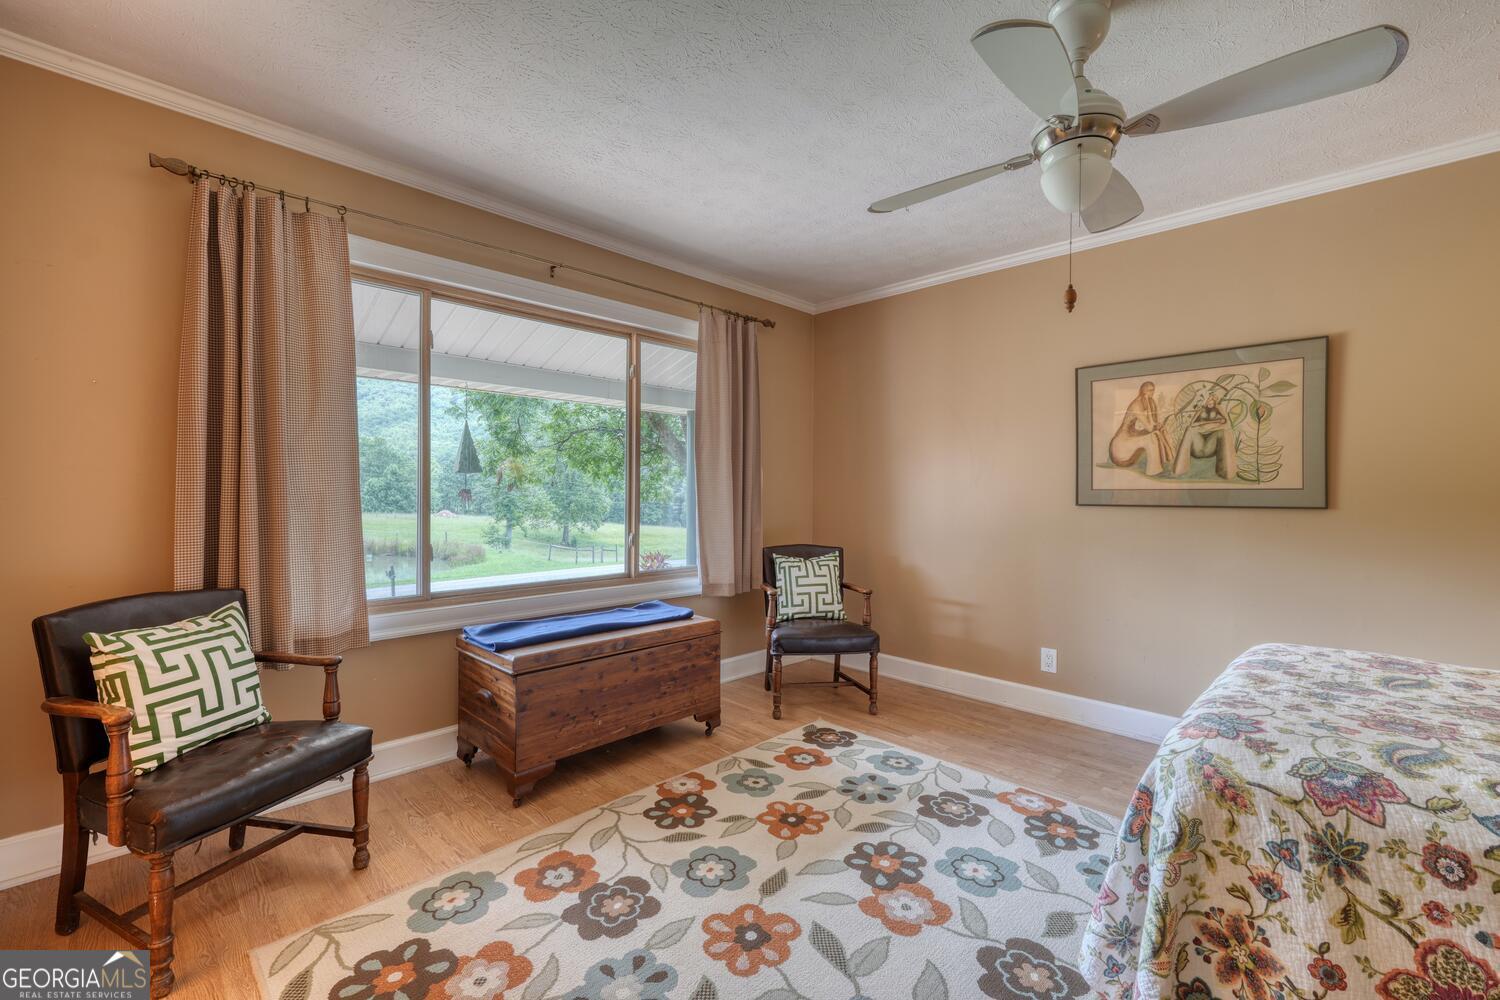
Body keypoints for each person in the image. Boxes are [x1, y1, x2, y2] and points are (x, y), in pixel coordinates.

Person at [1108, 381, 1174, 475]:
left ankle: (1169, 462)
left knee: (1160, 431)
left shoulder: (1150, 401)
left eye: (1153, 390)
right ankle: (1154, 471)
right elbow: (1150, 428)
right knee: (1152, 437)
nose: (1152, 393)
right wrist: (1149, 406)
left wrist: (1158, 425)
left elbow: (1154, 424)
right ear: (1143, 391)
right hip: (1120, 446)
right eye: (1149, 390)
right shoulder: (1136, 405)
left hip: (1131, 436)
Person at [1172, 387, 1238, 479]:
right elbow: (1191, 425)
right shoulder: (1201, 410)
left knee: (1224, 432)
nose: (1210, 403)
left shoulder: (1219, 408)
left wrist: (1210, 427)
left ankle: (1226, 472)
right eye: (1208, 400)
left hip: (1212, 442)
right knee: (1189, 431)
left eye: (1212, 400)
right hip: (1199, 444)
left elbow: (1227, 425)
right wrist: (1209, 423)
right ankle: (1180, 469)